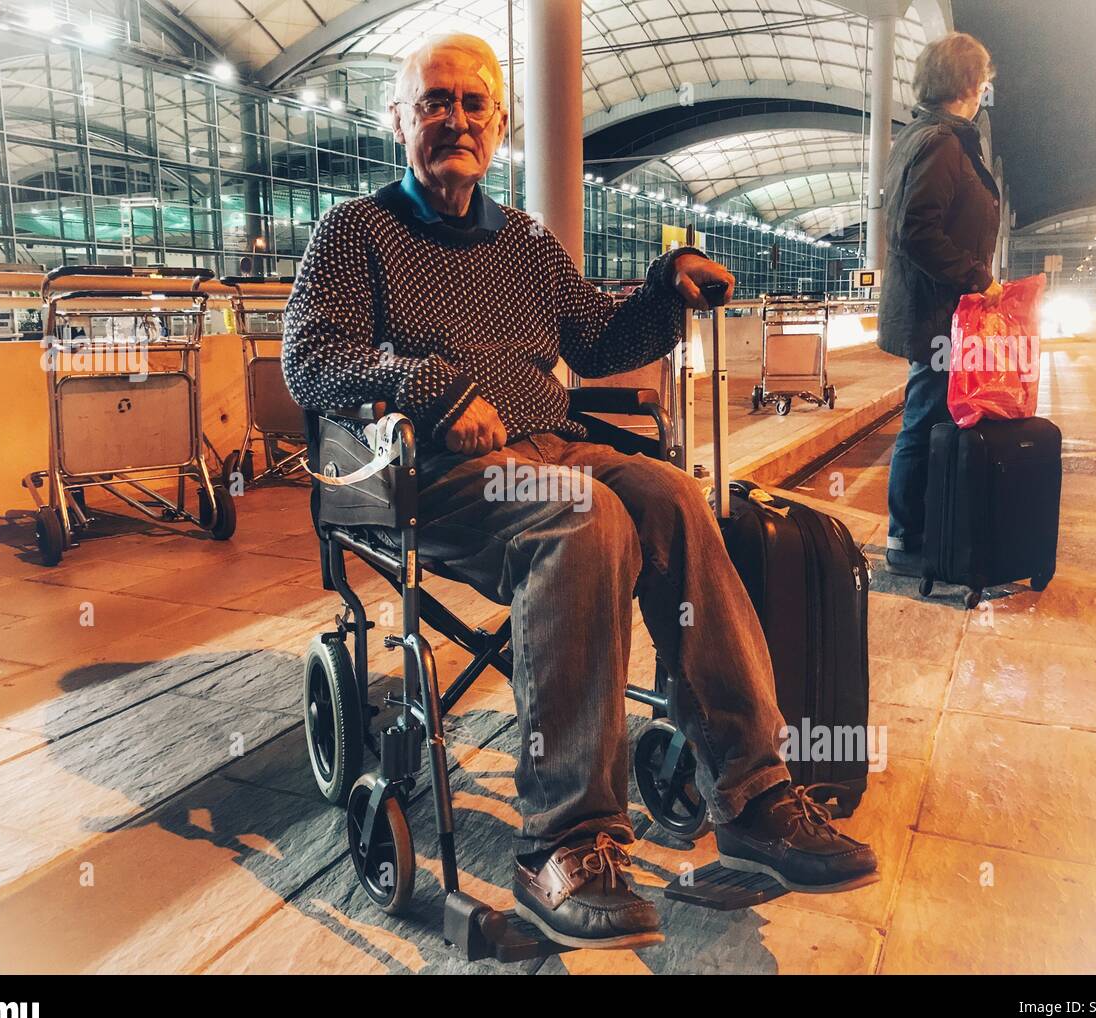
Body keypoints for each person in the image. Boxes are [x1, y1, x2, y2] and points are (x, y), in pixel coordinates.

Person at [282, 34, 877, 951]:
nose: (455, 119)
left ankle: (754, 793)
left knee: (674, 496)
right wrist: (430, 385)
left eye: (474, 104)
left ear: (501, 124)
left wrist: (665, 287)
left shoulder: (522, 241)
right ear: (398, 120)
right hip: (435, 474)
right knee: (584, 514)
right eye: (434, 102)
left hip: (554, 447)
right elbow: (310, 359)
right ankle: (563, 838)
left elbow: (598, 341)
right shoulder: (355, 233)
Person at [877, 31, 1003, 577]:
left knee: (927, 418)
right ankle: (907, 538)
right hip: (937, 315)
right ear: (969, 84)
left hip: (936, 310)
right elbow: (916, 230)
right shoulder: (942, 143)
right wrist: (976, 276)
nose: (984, 91)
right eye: (982, 82)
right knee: (924, 419)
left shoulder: (923, 135)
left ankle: (922, 528)